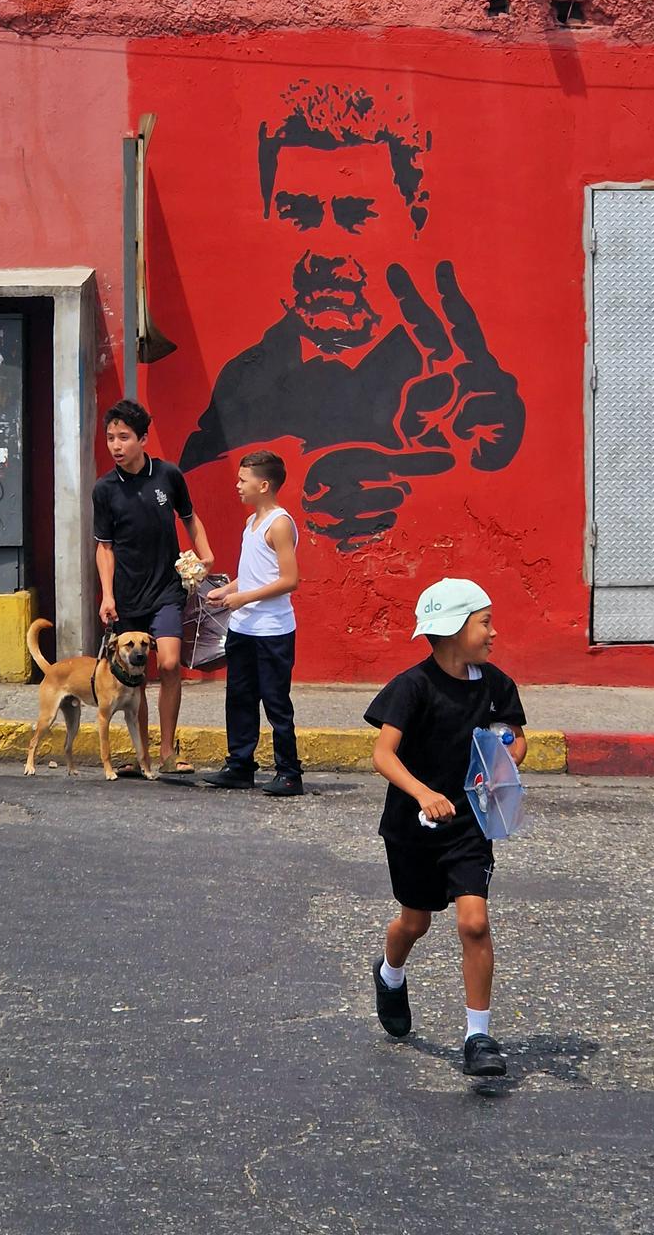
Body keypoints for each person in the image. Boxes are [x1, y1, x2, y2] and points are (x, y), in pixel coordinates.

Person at [179, 81, 524, 552]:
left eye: (355, 216)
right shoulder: (244, 378)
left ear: (412, 221)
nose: (323, 251)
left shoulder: (449, 382)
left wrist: (472, 467)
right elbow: (189, 494)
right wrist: (301, 483)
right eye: (298, 214)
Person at [364, 578, 527, 1077]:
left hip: (470, 823)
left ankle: (479, 1037)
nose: (494, 633)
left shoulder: (497, 685)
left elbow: (517, 740)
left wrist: (503, 759)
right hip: (413, 826)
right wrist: (423, 794)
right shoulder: (413, 686)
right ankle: (390, 973)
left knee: (474, 922)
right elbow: (382, 754)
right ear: (455, 629)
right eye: (485, 623)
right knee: (415, 922)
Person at [92, 400, 214, 775]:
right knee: (135, 676)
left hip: (166, 590)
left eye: (124, 437)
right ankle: (144, 754)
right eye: (110, 438)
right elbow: (104, 547)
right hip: (128, 595)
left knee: (170, 663)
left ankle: (167, 751)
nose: (116, 445)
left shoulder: (168, 475)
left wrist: (206, 555)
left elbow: (190, 518)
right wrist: (107, 595)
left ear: (143, 439)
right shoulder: (104, 489)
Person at [202, 450, 302, 796]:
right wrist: (228, 590)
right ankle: (239, 766)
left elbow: (289, 580)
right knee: (239, 698)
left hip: (272, 631)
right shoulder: (251, 523)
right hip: (242, 629)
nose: (238, 485)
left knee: (276, 702)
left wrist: (243, 598)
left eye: (243, 480)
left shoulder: (279, 524)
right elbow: (253, 574)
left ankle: (289, 773)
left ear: (264, 485)